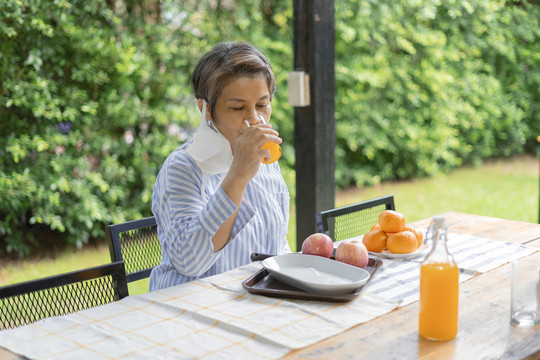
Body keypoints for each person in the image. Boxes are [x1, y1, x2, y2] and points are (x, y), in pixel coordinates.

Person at [149, 42, 291, 291]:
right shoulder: (183, 167)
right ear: (206, 110)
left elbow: (278, 246)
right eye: (238, 108)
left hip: (251, 303)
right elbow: (189, 262)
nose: (255, 120)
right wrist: (237, 176)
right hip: (188, 309)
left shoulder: (266, 162)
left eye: (262, 105)